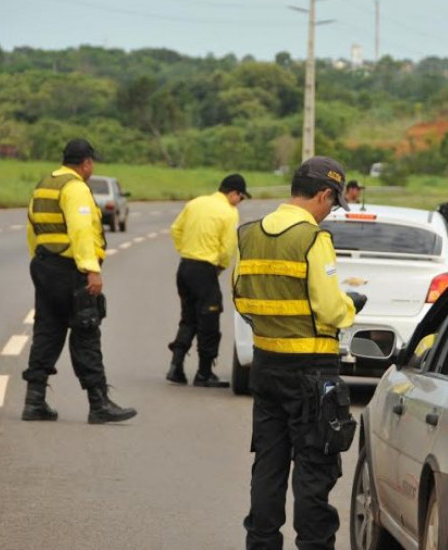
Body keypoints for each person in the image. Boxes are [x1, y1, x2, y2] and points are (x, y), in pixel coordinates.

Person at [234, 156, 367, 550]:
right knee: (314, 468)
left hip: (266, 365)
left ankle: (261, 543)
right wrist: (351, 306)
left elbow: (241, 298)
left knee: (268, 466)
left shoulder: (249, 233)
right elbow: (329, 308)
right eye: (332, 203)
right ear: (324, 195)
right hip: (312, 370)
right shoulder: (313, 239)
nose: (329, 213)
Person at [22, 138, 137, 424]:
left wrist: (42, 259)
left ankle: (34, 401)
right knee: (86, 331)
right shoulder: (75, 189)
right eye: (91, 162)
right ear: (85, 163)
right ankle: (99, 404)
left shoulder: (45, 183)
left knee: (47, 331)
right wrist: (91, 269)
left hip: (45, 265)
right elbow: (82, 230)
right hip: (71, 270)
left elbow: (31, 226)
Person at [166, 173, 250, 387]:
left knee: (189, 317)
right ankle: (204, 373)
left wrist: (186, 250)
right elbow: (229, 247)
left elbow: (176, 230)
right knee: (210, 319)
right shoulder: (229, 212)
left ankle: (175, 367)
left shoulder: (195, 203)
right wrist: (220, 266)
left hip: (184, 267)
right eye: (241, 197)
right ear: (233, 194)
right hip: (204, 269)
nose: (240, 201)